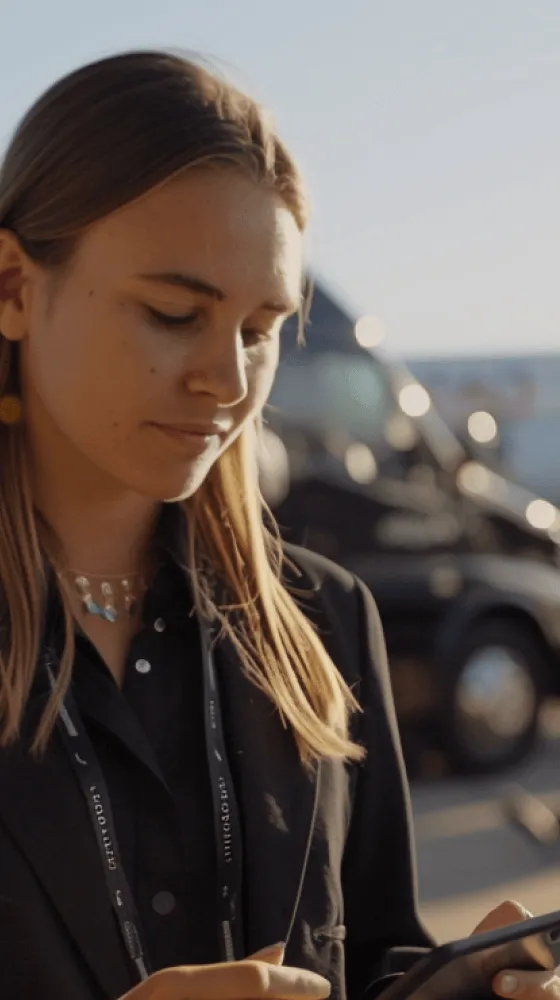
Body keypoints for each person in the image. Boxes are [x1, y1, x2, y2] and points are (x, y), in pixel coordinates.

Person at [0, 49, 554, 1000]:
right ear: (13, 287)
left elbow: (368, 950)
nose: (227, 381)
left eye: (260, 330)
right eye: (175, 313)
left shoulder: (326, 624)